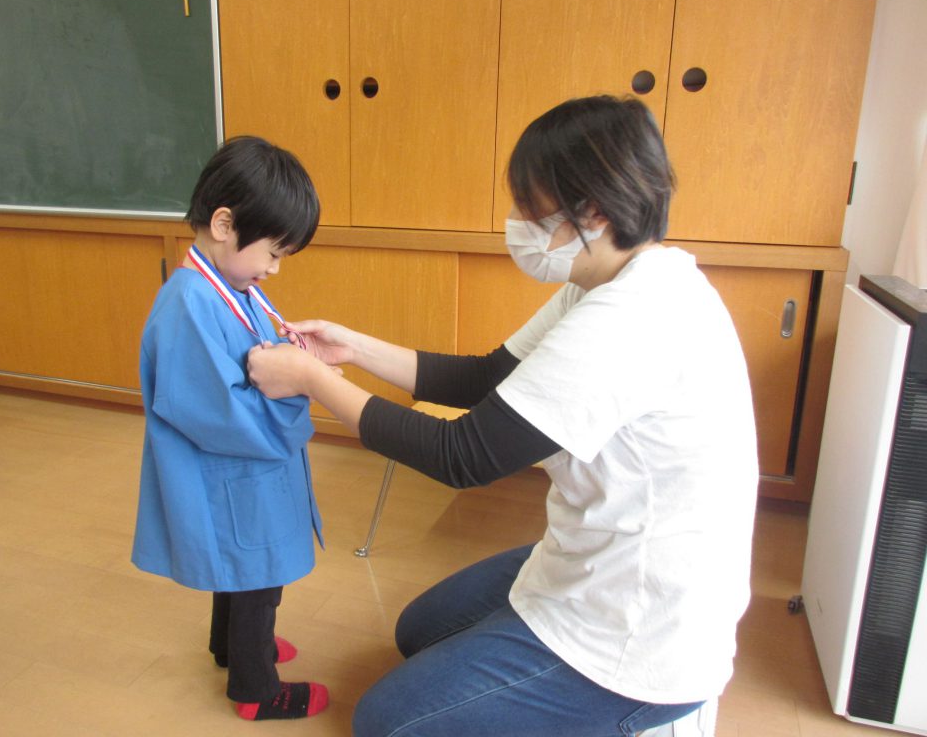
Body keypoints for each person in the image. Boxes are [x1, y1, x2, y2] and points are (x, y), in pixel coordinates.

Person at [247, 95, 759, 737]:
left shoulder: (634, 317)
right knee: (418, 632)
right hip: (594, 559)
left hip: (639, 635)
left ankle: (634, 716)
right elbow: (487, 377)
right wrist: (353, 349)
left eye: (530, 206)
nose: (516, 222)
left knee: (386, 723)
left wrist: (313, 380)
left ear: (594, 211)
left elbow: (463, 457)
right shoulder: (607, 280)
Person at [131, 136, 329, 721]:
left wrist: (287, 357)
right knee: (257, 577)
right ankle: (256, 688)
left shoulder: (229, 288)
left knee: (240, 571)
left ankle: (230, 647)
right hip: (234, 472)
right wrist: (300, 389)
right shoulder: (190, 303)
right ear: (224, 225)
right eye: (273, 252)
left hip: (241, 474)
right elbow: (220, 412)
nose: (274, 267)